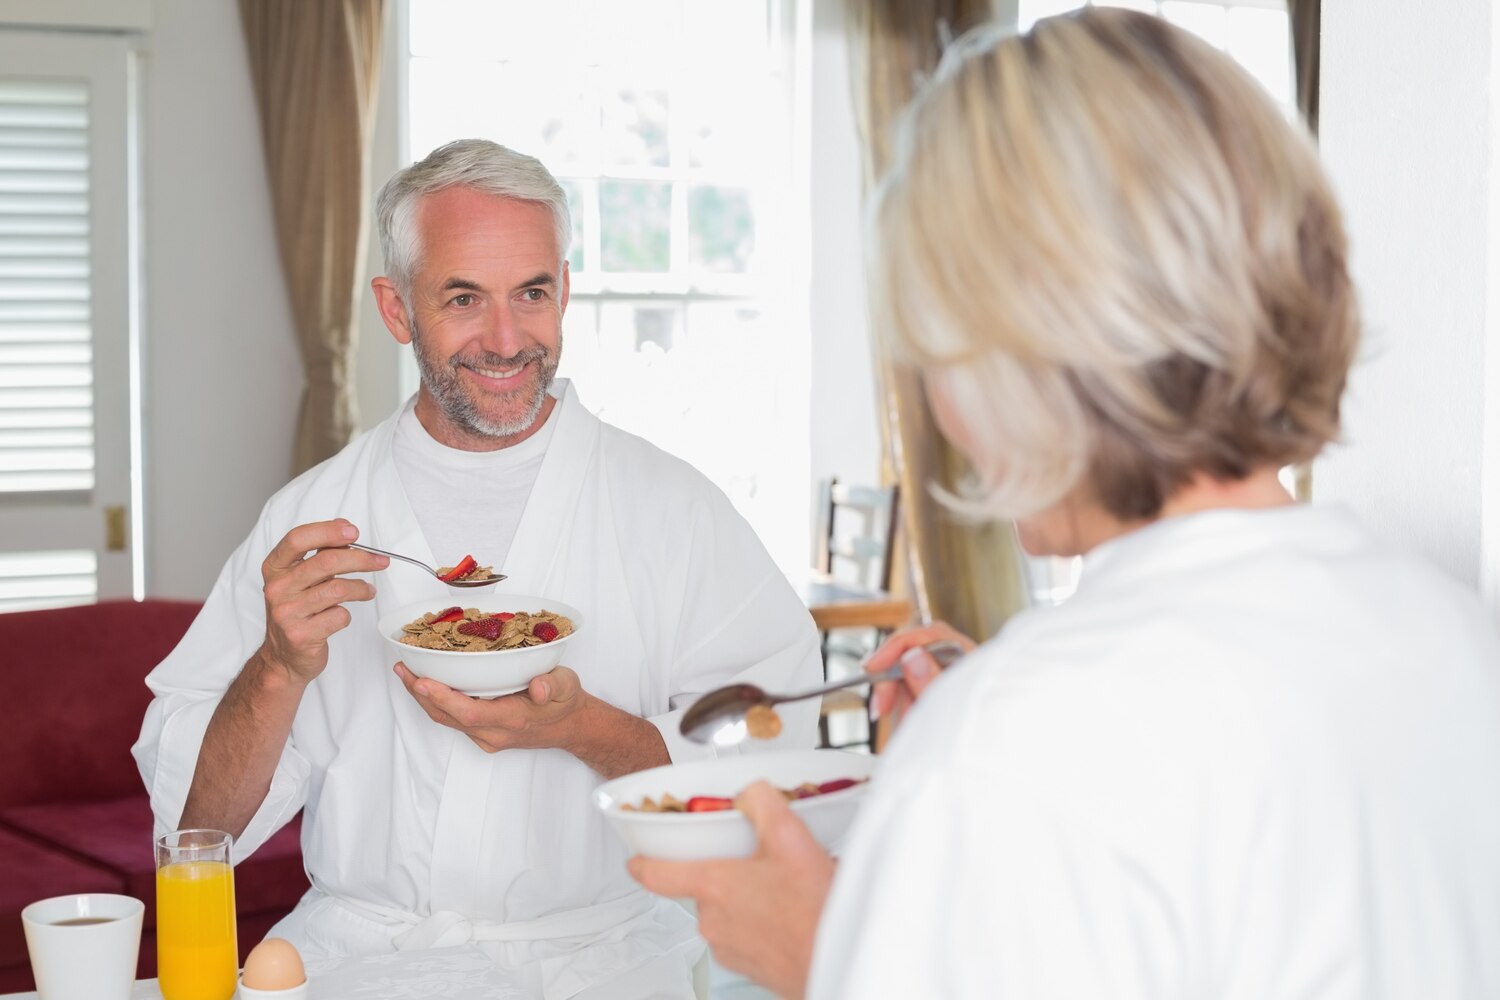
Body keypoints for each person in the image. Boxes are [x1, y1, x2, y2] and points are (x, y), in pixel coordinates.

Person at [630, 10, 1500, 999]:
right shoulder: (1455, 632)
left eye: (936, 343)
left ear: (1022, 346)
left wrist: (827, 961)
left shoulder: (1020, 740)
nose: (941, 400)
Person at [133, 138, 822, 1000]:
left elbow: (767, 782)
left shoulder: (673, 512)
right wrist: (275, 670)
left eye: (531, 293)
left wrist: (583, 729)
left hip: (605, 965)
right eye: (463, 297)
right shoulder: (311, 519)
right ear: (397, 309)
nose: (506, 339)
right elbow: (198, 830)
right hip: (362, 961)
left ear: (564, 291)